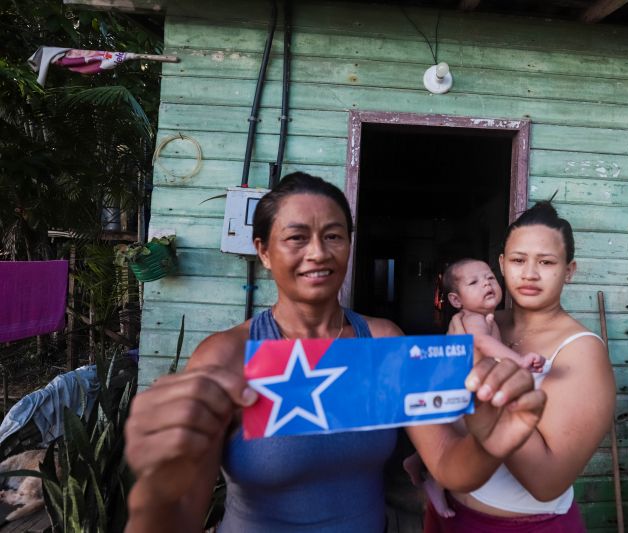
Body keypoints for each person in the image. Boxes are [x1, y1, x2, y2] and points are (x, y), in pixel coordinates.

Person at [123, 172, 547, 533]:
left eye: (333, 236)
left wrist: (494, 440)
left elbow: (451, 466)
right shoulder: (228, 355)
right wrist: (156, 485)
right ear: (264, 252)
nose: (318, 253)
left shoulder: (382, 342)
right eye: (296, 238)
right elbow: (180, 516)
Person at [424, 202, 616, 533]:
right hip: (449, 513)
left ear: (569, 270)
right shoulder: (483, 323)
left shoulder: (580, 350)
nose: (529, 273)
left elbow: (546, 482)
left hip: (525, 526)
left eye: (546, 262)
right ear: (501, 264)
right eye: (517, 260)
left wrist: (481, 368)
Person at [404, 258, 546, 518]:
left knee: (452, 434)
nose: (487, 284)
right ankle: (435, 485)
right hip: (457, 391)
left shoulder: (486, 318)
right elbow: (483, 344)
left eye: (490, 277)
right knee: (456, 441)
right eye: (474, 282)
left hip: (458, 387)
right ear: (457, 301)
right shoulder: (473, 319)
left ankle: (414, 461)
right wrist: (520, 361)